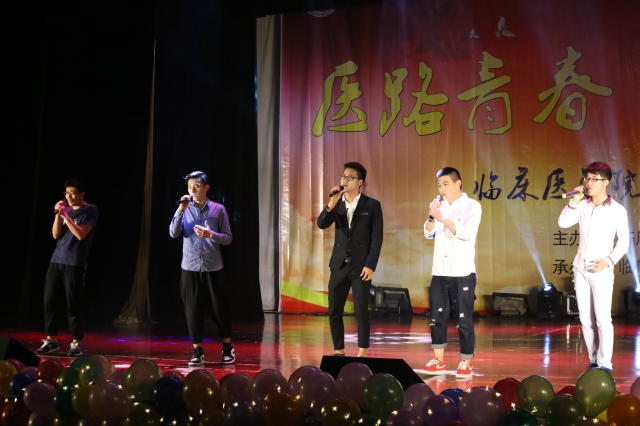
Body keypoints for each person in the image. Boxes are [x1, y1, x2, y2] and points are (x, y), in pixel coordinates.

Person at [558, 161, 629, 373]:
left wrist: (609, 260)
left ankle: (605, 364)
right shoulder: (582, 205)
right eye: (587, 178)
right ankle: (594, 360)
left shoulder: (617, 210)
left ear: (605, 182)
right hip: (580, 268)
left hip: (602, 270)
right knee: (585, 320)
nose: (588, 183)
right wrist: (574, 201)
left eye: (593, 179)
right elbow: (563, 223)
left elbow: (624, 242)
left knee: (603, 319)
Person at [420, 167, 482, 378]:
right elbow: (429, 234)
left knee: (464, 318)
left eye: (446, 184)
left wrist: (442, 218)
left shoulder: (472, 206)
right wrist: (432, 217)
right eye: (439, 185)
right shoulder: (440, 206)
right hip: (439, 270)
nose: (442, 189)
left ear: (458, 183)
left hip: (462, 271)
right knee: (437, 317)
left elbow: (466, 233)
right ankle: (438, 360)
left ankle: (466, 361)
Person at [317, 162, 383, 358]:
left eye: (350, 177)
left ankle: (362, 353)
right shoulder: (337, 204)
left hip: (360, 266)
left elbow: (377, 238)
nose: (345, 180)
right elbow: (321, 223)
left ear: (360, 182)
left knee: (361, 310)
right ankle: (339, 352)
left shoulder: (372, 205)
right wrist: (330, 204)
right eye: (343, 177)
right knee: (334, 310)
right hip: (339, 264)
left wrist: (370, 265)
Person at [169, 171, 235, 366]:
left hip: (213, 267)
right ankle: (197, 350)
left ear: (206, 188)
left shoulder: (218, 209)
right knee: (193, 311)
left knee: (219, 310)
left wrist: (211, 234)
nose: (192, 190)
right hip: (189, 267)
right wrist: (180, 209)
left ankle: (227, 346)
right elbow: (173, 233)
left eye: (196, 186)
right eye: (190, 187)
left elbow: (228, 238)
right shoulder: (184, 208)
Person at [37, 179, 99, 357]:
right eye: (66, 193)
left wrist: (65, 216)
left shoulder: (90, 210)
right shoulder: (66, 211)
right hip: (56, 260)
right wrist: (58, 215)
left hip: (75, 262)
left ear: (82, 194)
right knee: (49, 300)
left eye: (73, 193)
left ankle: (76, 342)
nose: (69, 197)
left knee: (73, 303)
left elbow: (80, 234)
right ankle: (51, 340)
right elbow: (56, 235)